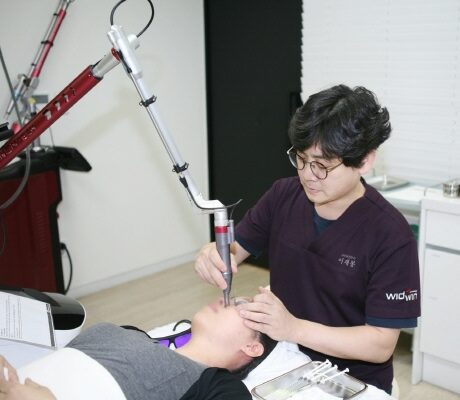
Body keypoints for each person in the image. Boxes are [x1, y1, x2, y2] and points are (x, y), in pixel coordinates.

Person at [195, 84, 421, 394]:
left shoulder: (390, 234)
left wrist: (294, 328)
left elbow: (380, 344)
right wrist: (213, 254)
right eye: (301, 159)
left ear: (365, 161)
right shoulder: (283, 195)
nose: (308, 175)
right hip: (283, 359)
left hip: (350, 380)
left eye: (322, 165)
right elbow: (234, 251)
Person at [0, 296, 276, 400]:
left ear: (252, 347)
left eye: (242, 304)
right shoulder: (133, 334)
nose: (226, 299)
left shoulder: (220, 387)